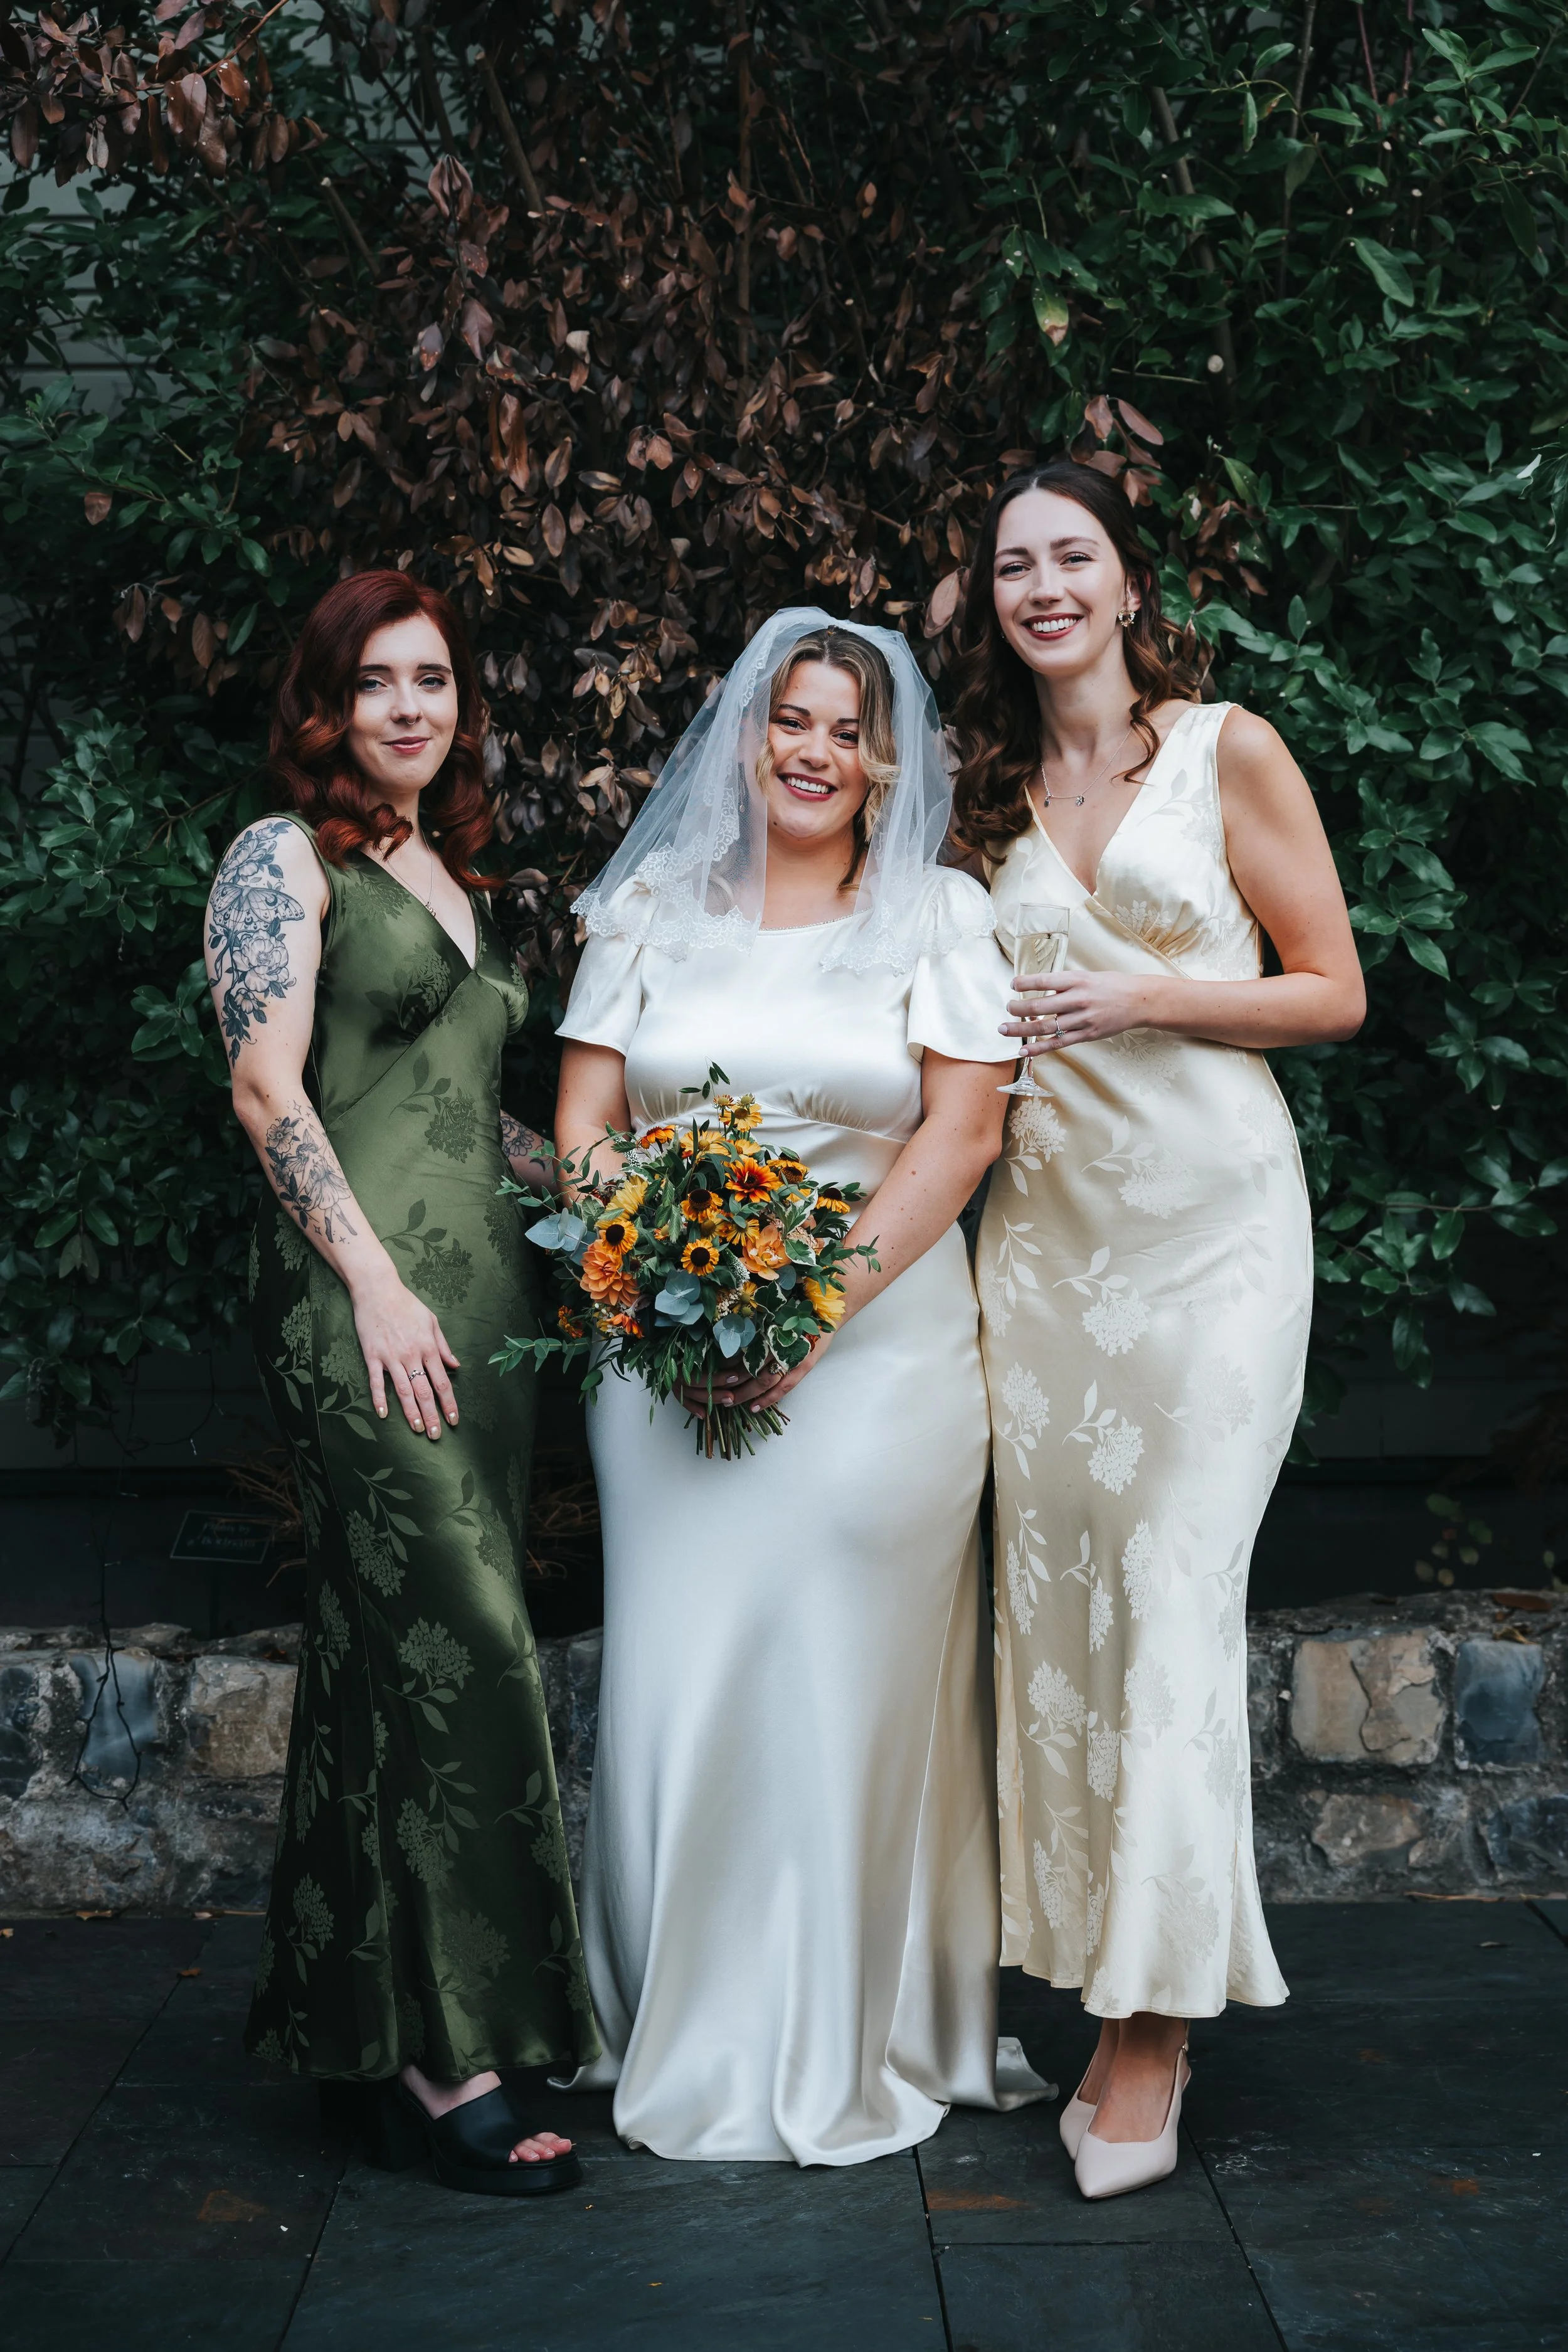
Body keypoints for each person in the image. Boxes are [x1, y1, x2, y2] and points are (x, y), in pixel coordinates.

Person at [553, 610, 1050, 2164]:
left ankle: (851, 2026)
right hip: (659, 1368)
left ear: (883, 758)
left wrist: (804, 1308)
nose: (815, 751)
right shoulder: (645, 910)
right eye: (790, 720)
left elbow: (960, 1135)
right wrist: (643, 1287)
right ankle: (672, 2020)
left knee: (837, 1682)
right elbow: (581, 1121)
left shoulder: (936, 917)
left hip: (877, 1361)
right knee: (682, 1674)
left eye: (846, 728)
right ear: (743, 738)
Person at [952, 464, 1365, 2200]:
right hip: (1040, 1258)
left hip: (1210, 1243)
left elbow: (1331, 985)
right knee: (1062, 1632)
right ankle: (1076, 1968)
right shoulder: (976, 803)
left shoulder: (1224, 747)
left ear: (1128, 585)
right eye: (1010, 566)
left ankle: (1149, 2040)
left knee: (1177, 1605)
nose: (1042, 585)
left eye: (1072, 557)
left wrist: (1146, 992)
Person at [208, 568, 596, 2196]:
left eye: (432, 679)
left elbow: (466, 1110)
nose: (410, 706)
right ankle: (456, 2054)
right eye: (378, 681)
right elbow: (262, 1078)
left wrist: (616, 1209)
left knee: (393, 1660)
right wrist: (368, 1278)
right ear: (325, 700)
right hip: (362, 1305)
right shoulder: (277, 858)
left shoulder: (451, 872)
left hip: (487, 1315)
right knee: (472, 1645)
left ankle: (358, 2027)